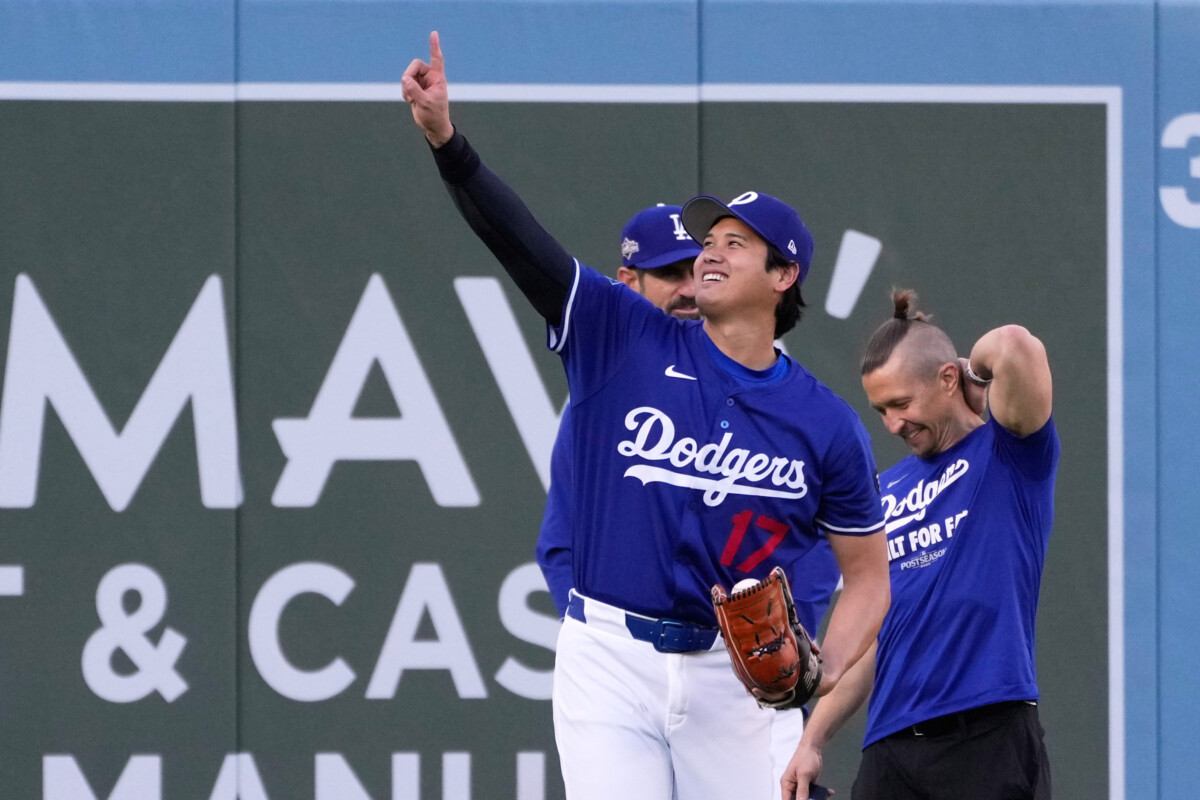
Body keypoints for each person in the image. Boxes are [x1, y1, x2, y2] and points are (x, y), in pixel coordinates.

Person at [402, 31, 890, 800]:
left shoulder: (824, 424)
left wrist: (825, 668)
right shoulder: (622, 334)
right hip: (610, 658)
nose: (710, 254)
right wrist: (447, 142)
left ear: (784, 274)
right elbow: (520, 243)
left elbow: (868, 576)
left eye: (735, 244)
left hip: (734, 683)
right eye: (708, 242)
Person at [534, 205, 845, 800]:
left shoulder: (796, 405)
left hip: (739, 675)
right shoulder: (607, 386)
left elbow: (817, 545)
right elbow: (562, 544)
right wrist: (609, 638)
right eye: (669, 272)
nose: (688, 283)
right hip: (618, 660)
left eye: (694, 264)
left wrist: (783, 651)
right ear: (628, 282)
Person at [781, 289, 1057, 800]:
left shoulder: (1009, 452)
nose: (892, 424)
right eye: (881, 410)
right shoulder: (885, 491)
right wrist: (812, 740)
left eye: (902, 404)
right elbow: (873, 636)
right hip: (891, 749)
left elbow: (1015, 345)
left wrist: (975, 373)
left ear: (947, 379)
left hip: (987, 734)